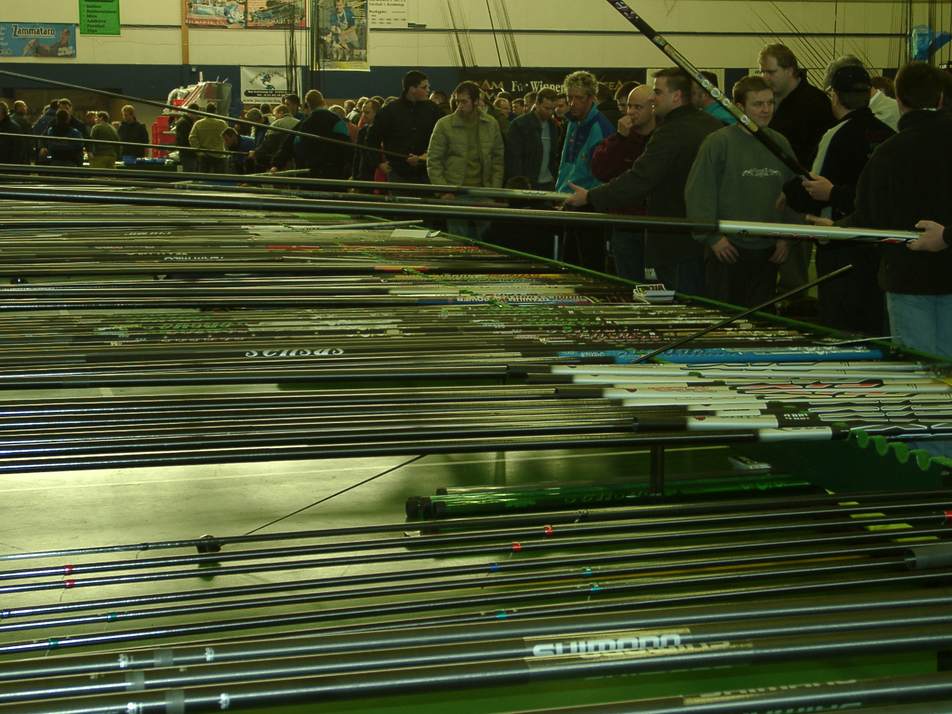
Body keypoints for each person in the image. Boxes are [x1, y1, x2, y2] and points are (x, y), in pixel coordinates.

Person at [817, 62, 952, 360]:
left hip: (908, 280)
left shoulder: (888, 154)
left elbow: (867, 218)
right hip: (925, 278)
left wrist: (834, 231)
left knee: (920, 370)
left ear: (899, 100)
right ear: (941, 98)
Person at [564, 68, 722, 295]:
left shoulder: (671, 132)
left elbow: (640, 178)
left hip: (675, 237)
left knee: (679, 303)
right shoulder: (712, 125)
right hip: (705, 234)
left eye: (657, 92)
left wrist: (590, 196)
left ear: (676, 96)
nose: (653, 98)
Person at [784, 63, 895, 334]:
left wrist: (789, 192)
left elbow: (813, 190)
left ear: (834, 95)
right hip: (880, 245)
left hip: (839, 242)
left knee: (840, 325)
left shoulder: (835, 135)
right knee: (873, 321)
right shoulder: (889, 135)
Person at [685, 76, 798, 307]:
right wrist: (713, 238)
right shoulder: (718, 143)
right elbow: (699, 193)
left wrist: (785, 237)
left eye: (770, 103)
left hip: (768, 251)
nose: (766, 110)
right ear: (739, 107)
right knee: (725, 314)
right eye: (758, 104)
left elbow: (794, 192)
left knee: (761, 317)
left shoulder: (780, 143)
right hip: (727, 248)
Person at [759, 43, 836, 299]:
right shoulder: (774, 102)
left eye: (771, 72)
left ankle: (795, 308)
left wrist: (795, 188)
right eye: (762, 72)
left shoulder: (814, 103)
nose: (765, 77)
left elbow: (818, 156)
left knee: (793, 271)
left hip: (799, 196)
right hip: (773, 190)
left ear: (790, 70)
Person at [590, 84, 657, 282]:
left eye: (638, 107)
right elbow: (600, 169)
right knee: (627, 283)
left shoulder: (664, 138)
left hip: (656, 224)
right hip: (625, 223)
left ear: (652, 107)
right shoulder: (621, 137)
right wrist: (620, 139)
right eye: (629, 106)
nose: (631, 112)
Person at [426, 80, 504, 239]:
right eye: (457, 101)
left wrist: (494, 190)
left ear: (476, 101)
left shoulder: (491, 124)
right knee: (458, 239)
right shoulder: (444, 125)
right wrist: (444, 190)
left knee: (487, 240)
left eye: (464, 101)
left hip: (484, 191)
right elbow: (433, 161)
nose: (459, 105)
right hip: (455, 192)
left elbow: (498, 159)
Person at [555, 70, 616, 271]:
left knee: (589, 263)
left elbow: (604, 173)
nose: (572, 103)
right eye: (569, 97)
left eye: (579, 98)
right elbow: (567, 163)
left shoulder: (601, 128)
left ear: (591, 98)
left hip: (588, 203)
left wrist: (591, 198)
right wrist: (560, 193)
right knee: (569, 261)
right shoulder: (573, 122)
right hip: (570, 200)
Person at [366, 70, 443, 184]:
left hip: (427, 172)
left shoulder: (434, 110)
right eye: (424, 87)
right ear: (412, 89)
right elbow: (372, 139)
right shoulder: (389, 111)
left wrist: (423, 157)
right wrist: (378, 163)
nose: (428, 90)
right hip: (398, 173)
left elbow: (442, 139)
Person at [272, 89, 352, 179]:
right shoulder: (337, 121)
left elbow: (288, 145)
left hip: (307, 174)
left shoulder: (303, 124)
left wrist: (277, 164)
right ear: (323, 102)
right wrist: (352, 171)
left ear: (308, 105)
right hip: (333, 174)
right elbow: (347, 146)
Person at [505, 87, 560, 191]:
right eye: (546, 108)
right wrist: (520, 183)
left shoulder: (553, 126)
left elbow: (553, 156)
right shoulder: (519, 125)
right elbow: (513, 158)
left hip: (548, 183)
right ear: (537, 104)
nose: (550, 112)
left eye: (553, 109)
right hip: (527, 183)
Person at [188, 102, 229, 173]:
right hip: (219, 155)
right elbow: (228, 137)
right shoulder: (222, 123)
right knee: (220, 177)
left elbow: (192, 138)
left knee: (204, 177)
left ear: (206, 111)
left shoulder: (198, 123)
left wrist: (199, 151)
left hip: (204, 156)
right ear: (215, 111)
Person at [255, 104, 299, 171]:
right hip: (295, 159)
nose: (274, 118)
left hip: (279, 161)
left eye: (275, 115)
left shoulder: (276, 124)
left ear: (281, 112)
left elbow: (267, 143)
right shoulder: (298, 122)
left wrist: (256, 152)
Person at [352, 99, 382, 181]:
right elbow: (358, 154)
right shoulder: (363, 130)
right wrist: (354, 175)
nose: (363, 115)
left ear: (376, 113)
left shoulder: (382, 130)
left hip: (376, 174)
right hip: (363, 174)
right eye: (363, 112)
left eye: (367, 112)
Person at [0, 100, 30, 165]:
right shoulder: (14, 125)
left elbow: (17, 149)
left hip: (7, 163)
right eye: (24, 107)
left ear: (3, 113)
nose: (26, 109)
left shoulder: (13, 127)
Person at [174, 104, 200, 172]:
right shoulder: (184, 123)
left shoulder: (186, 121)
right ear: (192, 112)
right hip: (187, 154)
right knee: (190, 174)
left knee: (190, 173)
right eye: (196, 114)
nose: (197, 116)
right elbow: (185, 140)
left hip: (187, 153)